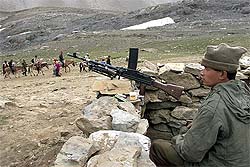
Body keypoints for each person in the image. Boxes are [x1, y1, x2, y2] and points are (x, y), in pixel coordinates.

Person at [149, 43, 250, 167]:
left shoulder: (214, 105)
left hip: (219, 163)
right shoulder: (244, 91)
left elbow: (190, 153)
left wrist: (181, 136)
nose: (202, 73)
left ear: (222, 74)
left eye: (207, 69)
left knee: (158, 147)